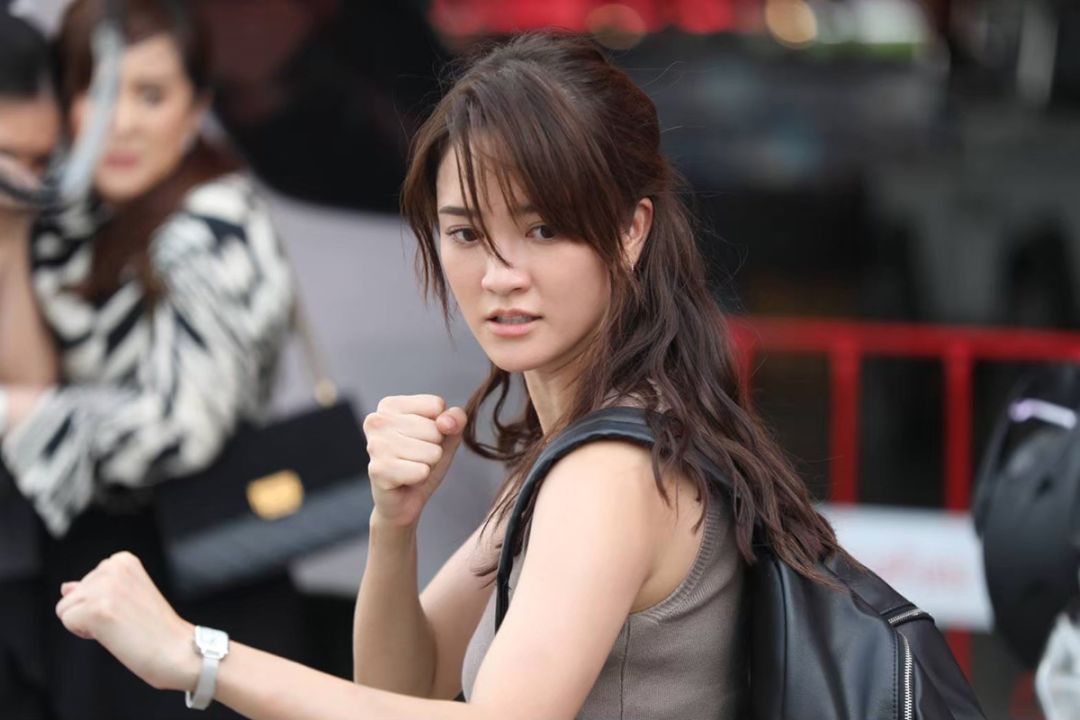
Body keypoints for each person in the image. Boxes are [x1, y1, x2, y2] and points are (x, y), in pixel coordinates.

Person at [54, 31, 840, 719]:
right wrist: (393, 526)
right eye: (465, 232)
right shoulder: (585, 438)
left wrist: (196, 656)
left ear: (631, 230)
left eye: (544, 228)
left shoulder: (610, 470)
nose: (500, 275)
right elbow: (405, 682)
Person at [0, 1, 310, 718]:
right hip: (98, 577)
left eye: (151, 95)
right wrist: (13, 235)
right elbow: (33, 374)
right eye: (95, 91)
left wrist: (24, 414)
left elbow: (183, 428)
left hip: (199, 569)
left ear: (196, 108)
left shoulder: (212, 225)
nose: (122, 123)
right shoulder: (81, 221)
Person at [0, 13, 62, 720]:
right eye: (7, 155)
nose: (25, 180)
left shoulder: (28, 221)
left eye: (42, 159)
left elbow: (32, 393)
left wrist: (10, 241)